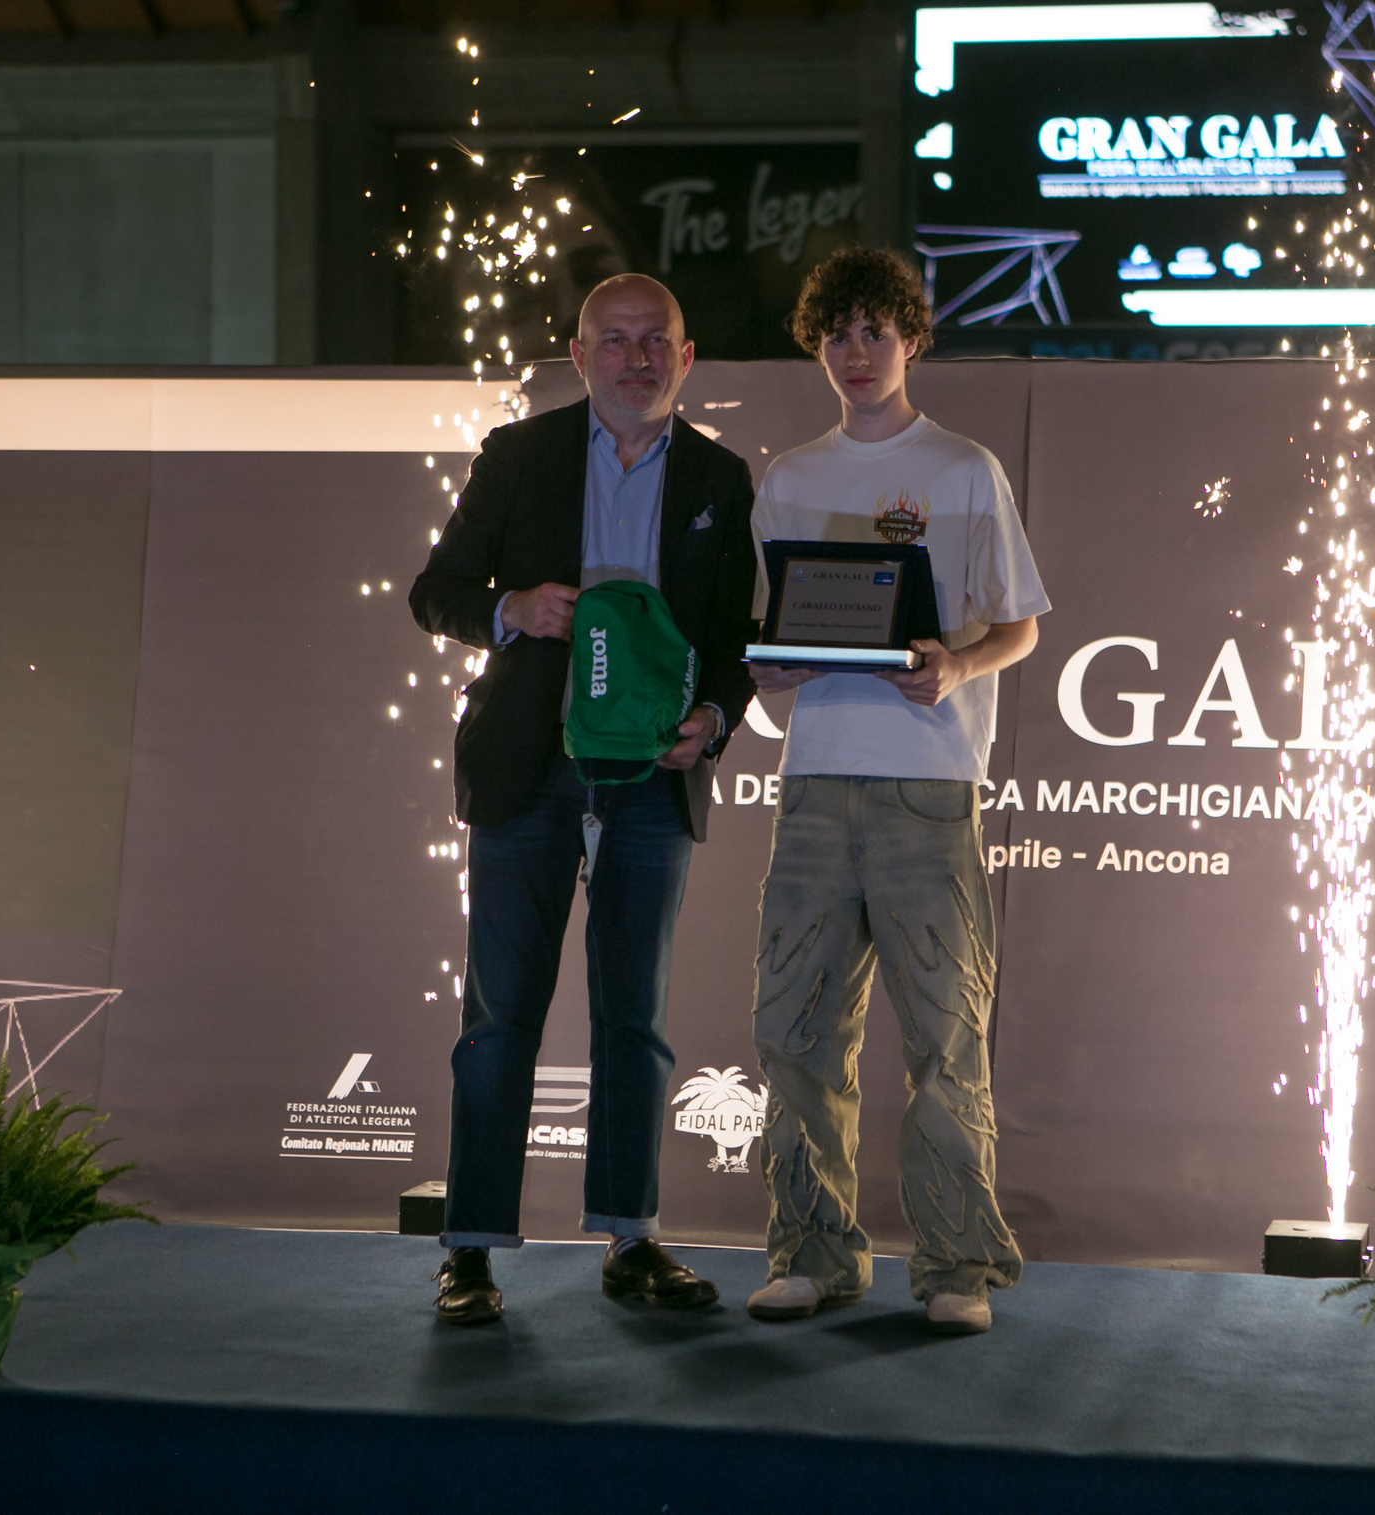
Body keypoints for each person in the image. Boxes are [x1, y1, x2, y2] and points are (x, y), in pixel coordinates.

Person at [408, 273, 758, 1326]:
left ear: (685, 358)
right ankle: (469, 1250)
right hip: (528, 769)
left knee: (634, 1020)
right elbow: (436, 592)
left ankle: (629, 1238)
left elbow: (733, 639)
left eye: (657, 341)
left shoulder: (720, 477)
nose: (637, 359)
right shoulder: (519, 455)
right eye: (616, 340)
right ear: (579, 353)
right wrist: (511, 608)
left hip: (650, 775)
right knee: (498, 1018)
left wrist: (713, 717)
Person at [742, 248, 1049, 1336]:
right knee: (795, 1031)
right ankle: (811, 1253)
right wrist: (769, 668)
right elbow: (767, 639)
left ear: (912, 339)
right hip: (814, 781)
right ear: (816, 346)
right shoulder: (788, 477)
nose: (856, 352)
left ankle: (958, 1266)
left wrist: (959, 666)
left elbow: (1019, 626)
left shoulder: (964, 469)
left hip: (930, 783)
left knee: (945, 1036)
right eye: (837, 333)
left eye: (876, 331)